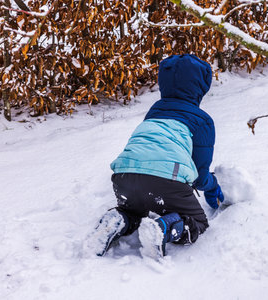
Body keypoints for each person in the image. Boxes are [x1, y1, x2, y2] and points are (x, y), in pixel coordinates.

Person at [88, 54, 224, 258]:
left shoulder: (154, 111)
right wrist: (212, 187)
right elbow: (198, 174)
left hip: (124, 177)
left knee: (135, 212)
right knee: (198, 223)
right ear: (201, 86)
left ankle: (119, 219)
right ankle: (164, 229)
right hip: (165, 182)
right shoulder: (202, 121)